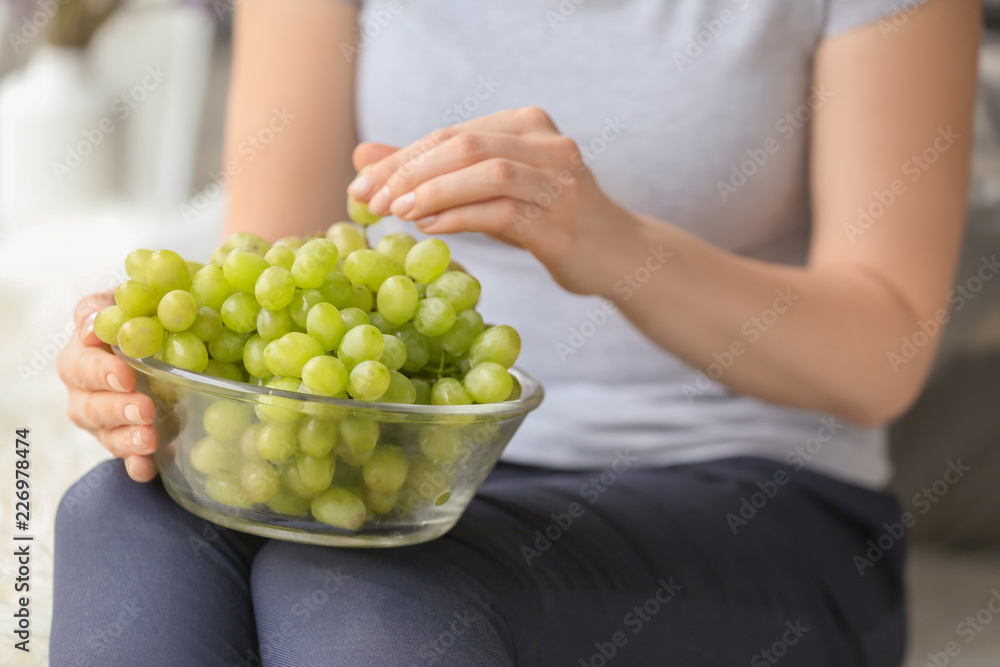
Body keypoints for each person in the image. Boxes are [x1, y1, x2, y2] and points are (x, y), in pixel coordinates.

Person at [52, 0, 979, 664]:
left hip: (755, 494)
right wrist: (159, 371)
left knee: (360, 596)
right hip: (410, 477)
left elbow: (883, 354)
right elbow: (271, 285)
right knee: (123, 517)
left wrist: (613, 246)